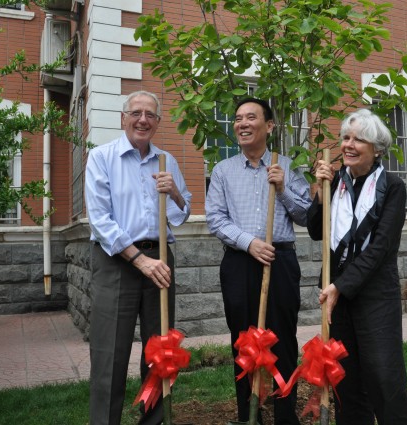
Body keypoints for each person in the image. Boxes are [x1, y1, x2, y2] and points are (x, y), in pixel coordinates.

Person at [84, 90, 192, 425]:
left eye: (150, 115)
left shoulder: (166, 161)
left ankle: (154, 421)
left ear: (158, 122)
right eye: (136, 113)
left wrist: (174, 192)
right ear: (123, 118)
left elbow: (182, 213)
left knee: (160, 351)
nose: (142, 120)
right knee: (110, 353)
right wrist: (138, 261)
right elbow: (100, 220)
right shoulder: (102, 158)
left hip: (160, 259)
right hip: (117, 261)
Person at [205, 98, 311, 424]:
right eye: (238, 118)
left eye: (251, 117)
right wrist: (249, 243)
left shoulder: (288, 167)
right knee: (242, 341)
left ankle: (284, 416)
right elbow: (216, 219)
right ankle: (248, 415)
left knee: (282, 339)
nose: (243, 124)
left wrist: (282, 190)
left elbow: (307, 215)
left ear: (269, 126)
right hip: (239, 263)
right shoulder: (223, 170)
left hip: (280, 262)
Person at [307, 108, 407, 424]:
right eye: (346, 137)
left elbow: (381, 248)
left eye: (359, 140)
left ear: (377, 149)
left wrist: (341, 286)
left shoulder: (392, 186)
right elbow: (316, 231)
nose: (349, 145)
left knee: (383, 374)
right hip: (336, 290)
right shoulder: (334, 181)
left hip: (375, 292)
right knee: (346, 379)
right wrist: (318, 190)